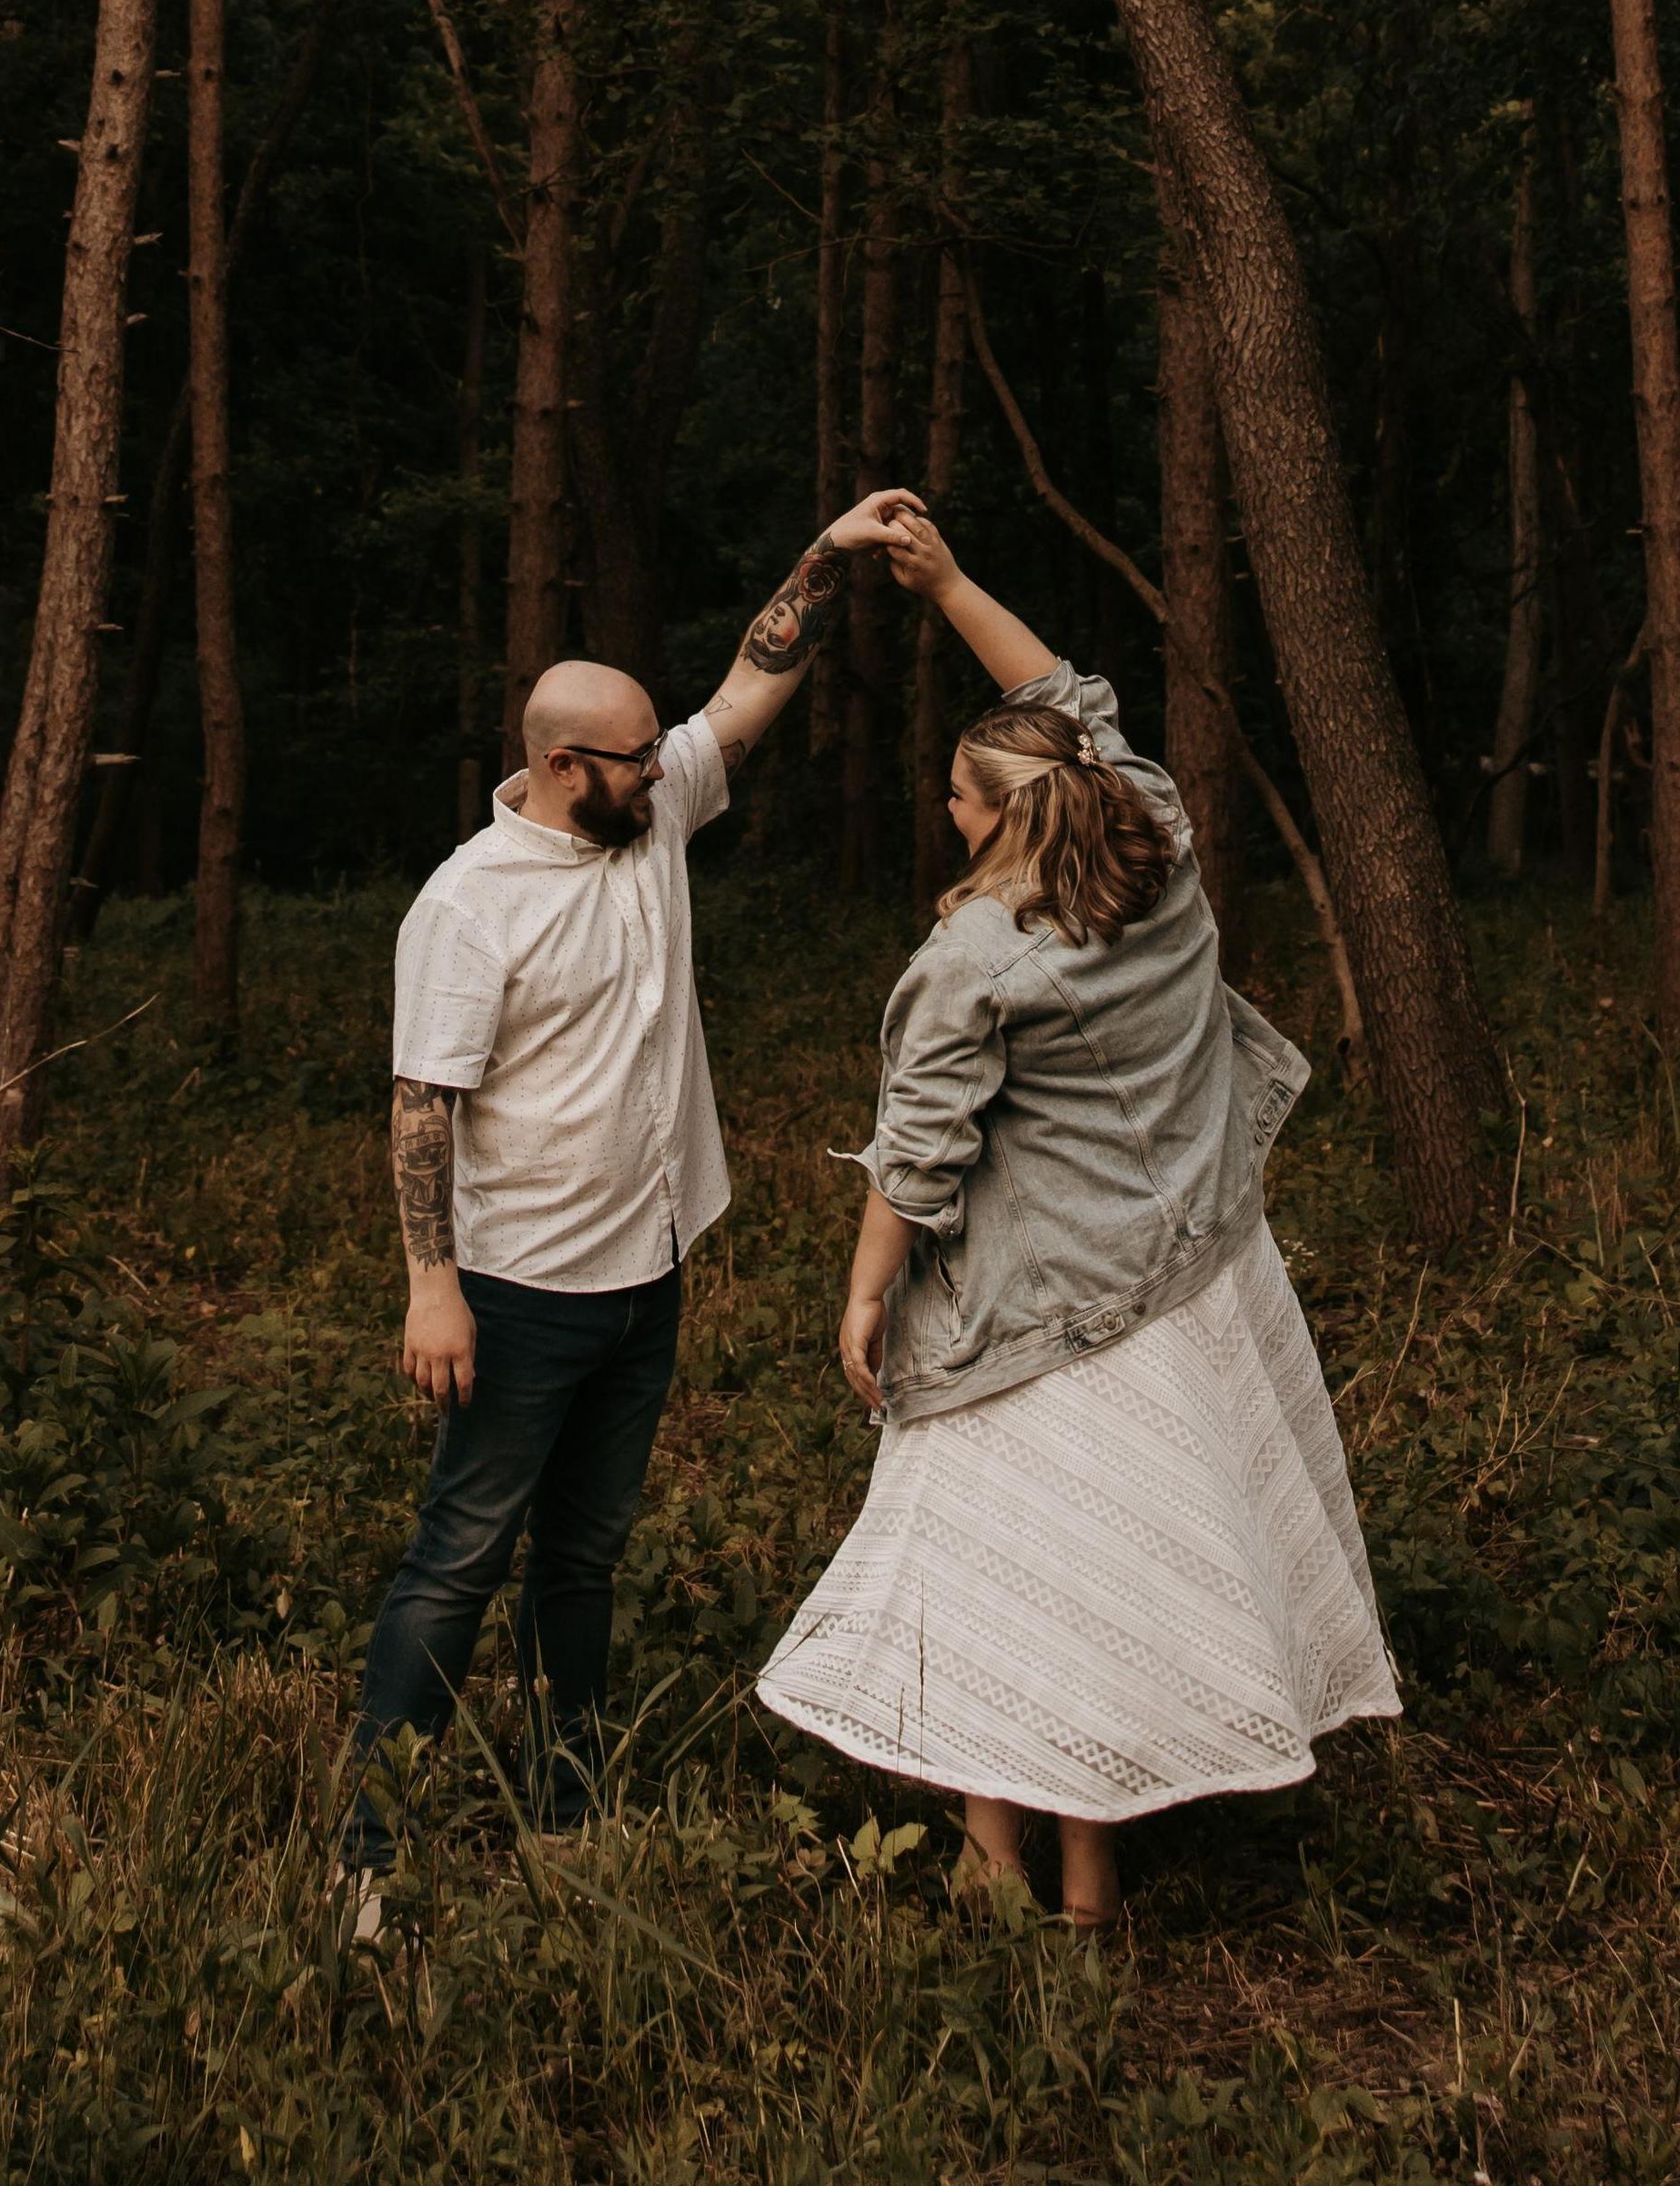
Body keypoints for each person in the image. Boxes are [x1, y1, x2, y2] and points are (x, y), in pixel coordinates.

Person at [756, 513, 1399, 1929]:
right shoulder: (1156, 848)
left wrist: (864, 1295)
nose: (948, 814)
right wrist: (951, 584)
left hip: (1047, 1310)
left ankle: (1002, 1863)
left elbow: (917, 1156)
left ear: (1002, 812)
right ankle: (1089, 1868)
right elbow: (1073, 710)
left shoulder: (973, 958)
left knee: (1010, 1574)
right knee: (1112, 1572)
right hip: (1198, 1286)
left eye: (958, 799)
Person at [341, 488, 923, 1887]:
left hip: (643, 1277)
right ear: (555, 764)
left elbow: (748, 687)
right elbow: (424, 1103)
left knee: (583, 1560)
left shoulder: (642, 817)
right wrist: (433, 1288)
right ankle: (367, 1847)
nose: (661, 773)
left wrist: (825, 549)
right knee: (458, 1557)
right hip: (519, 1287)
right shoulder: (471, 901)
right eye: (627, 760)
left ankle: (565, 1810)